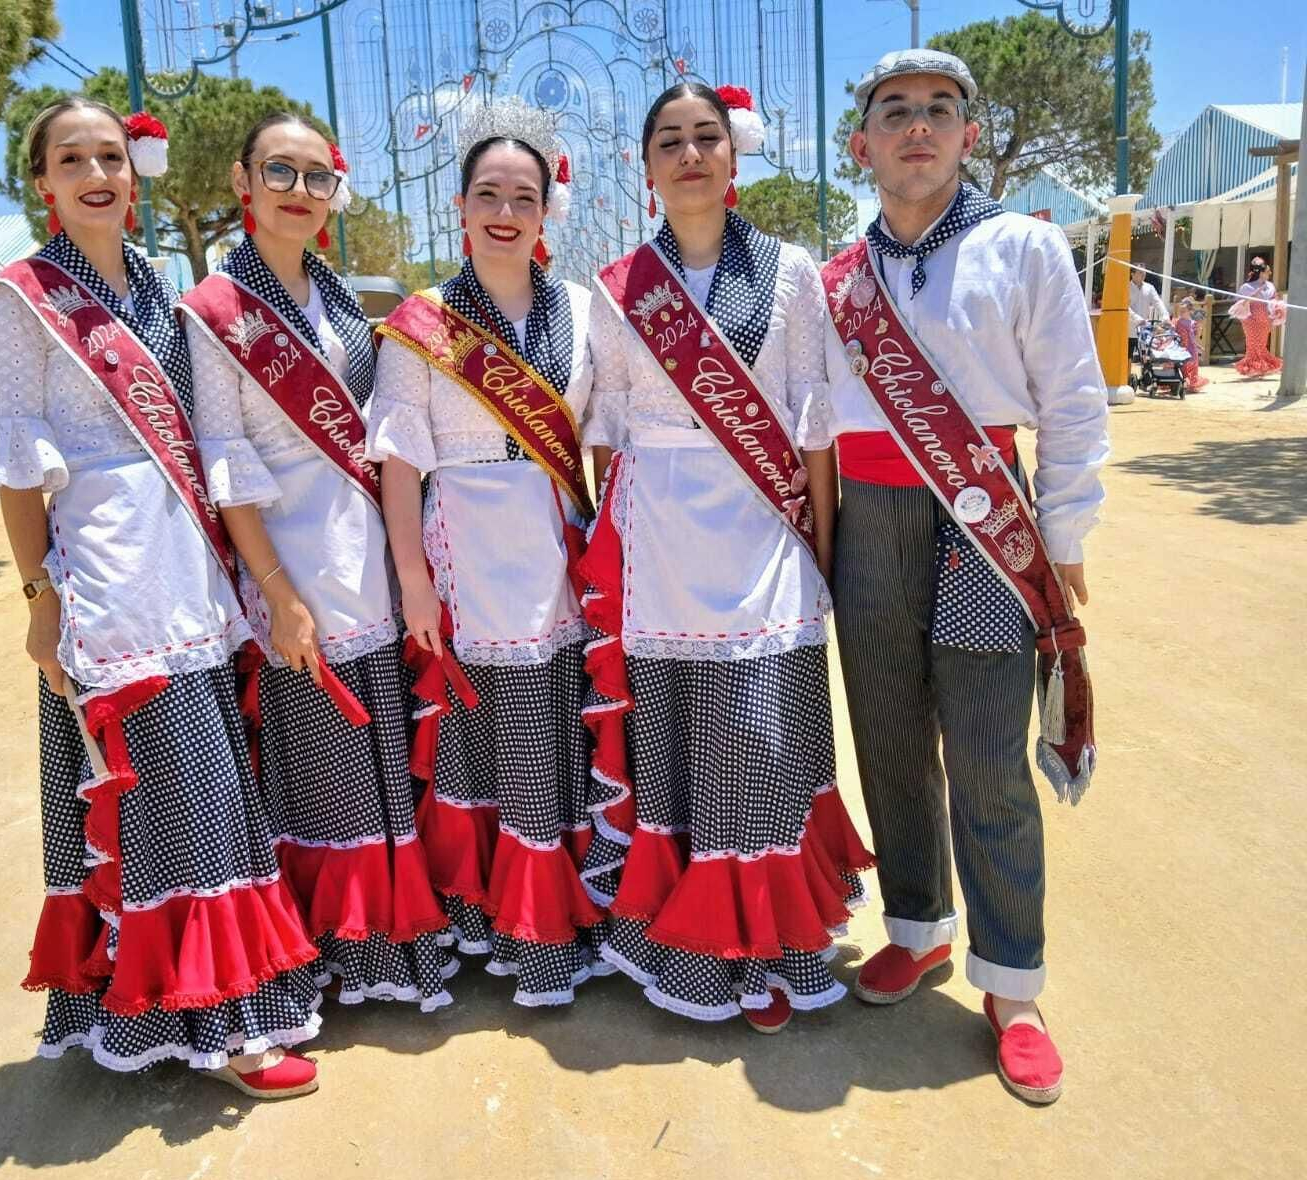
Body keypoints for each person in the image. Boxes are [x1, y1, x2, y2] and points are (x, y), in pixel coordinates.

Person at [0, 95, 322, 1098]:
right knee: (180, 790)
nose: (95, 171)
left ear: (136, 173)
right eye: (71, 157)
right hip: (107, 577)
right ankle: (230, 1031)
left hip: (185, 566)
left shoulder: (162, 288)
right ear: (41, 183)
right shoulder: (22, 299)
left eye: (111, 155)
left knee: (212, 788)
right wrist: (38, 596)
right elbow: (16, 463)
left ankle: (206, 1004)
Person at [821, 49, 1109, 1106]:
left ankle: (1014, 988)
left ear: (967, 135)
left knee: (988, 752)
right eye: (893, 112)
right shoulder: (833, 276)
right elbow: (814, 416)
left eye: (939, 111)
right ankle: (916, 931)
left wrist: (1065, 533)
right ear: (861, 145)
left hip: (987, 519)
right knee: (890, 739)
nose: (917, 127)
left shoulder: (1023, 247)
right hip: (869, 519)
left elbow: (1074, 401)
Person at [578, 81, 874, 1032]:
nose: (691, 154)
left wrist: (818, 545)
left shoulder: (791, 273)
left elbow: (812, 423)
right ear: (649, 165)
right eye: (671, 140)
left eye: (707, 136)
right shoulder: (617, 286)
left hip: (767, 534)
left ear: (734, 155)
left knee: (762, 740)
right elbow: (610, 433)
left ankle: (777, 939)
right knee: (686, 748)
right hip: (663, 543)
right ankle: (705, 945)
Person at [182, 112, 456, 1011]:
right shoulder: (214, 309)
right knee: (316, 756)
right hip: (290, 563)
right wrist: (275, 591)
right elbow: (223, 460)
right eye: (280, 172)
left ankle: (395, 943)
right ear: (242, 182)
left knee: (373, 746)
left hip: (364, 551)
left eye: (316, 176)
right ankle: (343, 948)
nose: (299, 192)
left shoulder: (340, 298)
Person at [367, 96, 610, 1006]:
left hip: (554, 536)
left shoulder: (584, 313)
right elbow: (397, 461)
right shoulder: (423, 321)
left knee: (556, 727)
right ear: (460, 209)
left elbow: (600, 439)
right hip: (463, 542)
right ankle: (497, 922)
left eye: (523, 196)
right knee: (483, 736)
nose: (505, 212)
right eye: (487, 195)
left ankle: (564, 917)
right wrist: (413, 583)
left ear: (546, 211)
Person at [1230, 257, 1285, 377]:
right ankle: (1256, 368)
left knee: (1261, 344)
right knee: (1253, 345)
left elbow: (1273, 301)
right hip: (1250, 320)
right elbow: (1239, 304)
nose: (1270, 273)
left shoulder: (1270, 286)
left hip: (1265, 321)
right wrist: (1252, 295)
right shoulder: (1246, 287)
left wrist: (1278, 307)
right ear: (1260, 273)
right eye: (1267, 271)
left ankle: (1258, 369)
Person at [1127, 266, 1168, 362]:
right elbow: (1125, 308)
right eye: (1140, 272)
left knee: (1146, 358)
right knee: (1127, 359)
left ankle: (1145, 376)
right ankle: (1126, 376)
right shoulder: (1126, 287)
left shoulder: (1149, 288)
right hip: (1129, 330)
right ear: (1132, 274)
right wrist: (1138, 319)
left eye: (1144, 272)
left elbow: (1158, 303)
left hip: (1144, 331)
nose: (1143, 274)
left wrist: (1165, 317)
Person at [1173, 297, 1210, 393]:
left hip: (1191, 347)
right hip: (1182, 347)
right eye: (1180, 311)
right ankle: (1183, 382)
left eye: (1183, 311)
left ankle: (1192, 384)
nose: (1181, 313)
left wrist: (1198, 346)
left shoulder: (1192, 323)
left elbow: (1193, 337)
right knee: (1183, 365)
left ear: (1189, 311)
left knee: (1194, 365)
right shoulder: (1178, 322)